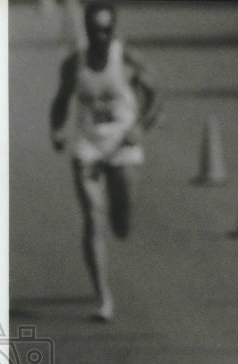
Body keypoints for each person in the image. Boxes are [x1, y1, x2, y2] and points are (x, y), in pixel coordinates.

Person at [49, 1, 160, 321]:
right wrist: (56, 131)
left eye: (107, 29)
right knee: (91, 217)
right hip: (89, 147)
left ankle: (121, 217)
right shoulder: (74, 64)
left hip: (122, 144)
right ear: (86, 29)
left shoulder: (125, 58)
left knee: (122, 223)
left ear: (114, 29)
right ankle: (103, 298)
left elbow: (155, 98)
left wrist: (140, 126)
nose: (101, 35)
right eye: (95, 29)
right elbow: (60, 102)